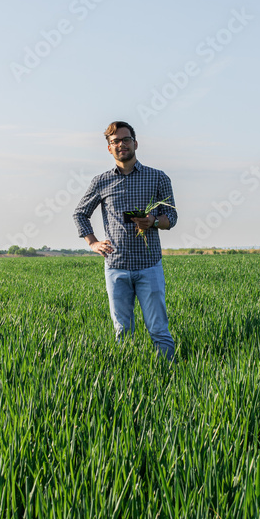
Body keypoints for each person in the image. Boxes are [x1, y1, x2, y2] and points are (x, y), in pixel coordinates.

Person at [72, 121, 178, 360]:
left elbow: (172, 217)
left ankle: (168, 377)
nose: (121, 144)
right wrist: (93, 243)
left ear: (135, 143)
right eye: (115, 141)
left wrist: (153, 221)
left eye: (125, 139)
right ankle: (127, 377)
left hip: (149, 265)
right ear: (109, 148)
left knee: (159, 330)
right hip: (116, 267)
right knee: (122, 331)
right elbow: (80, 213)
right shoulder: (101, 181)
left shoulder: (158, 178)